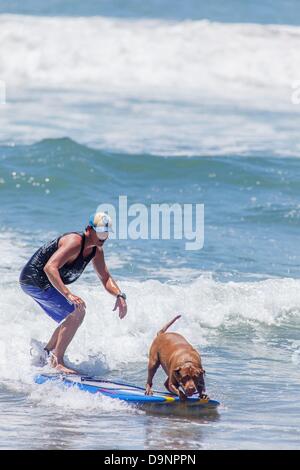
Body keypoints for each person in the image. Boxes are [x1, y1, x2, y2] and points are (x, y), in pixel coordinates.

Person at [19, 212, 127, 374]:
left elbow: (105, 278)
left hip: (45, 282)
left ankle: (46, 354)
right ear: (89, 229)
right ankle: (57, 361)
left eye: (106, 233)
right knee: (77, 311)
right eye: (100, 233)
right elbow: (50, 268)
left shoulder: (96, 251)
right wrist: (68, 294)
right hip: (34, 279)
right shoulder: (75, 242)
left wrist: (119, 295)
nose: (103, 237)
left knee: (73, 314)